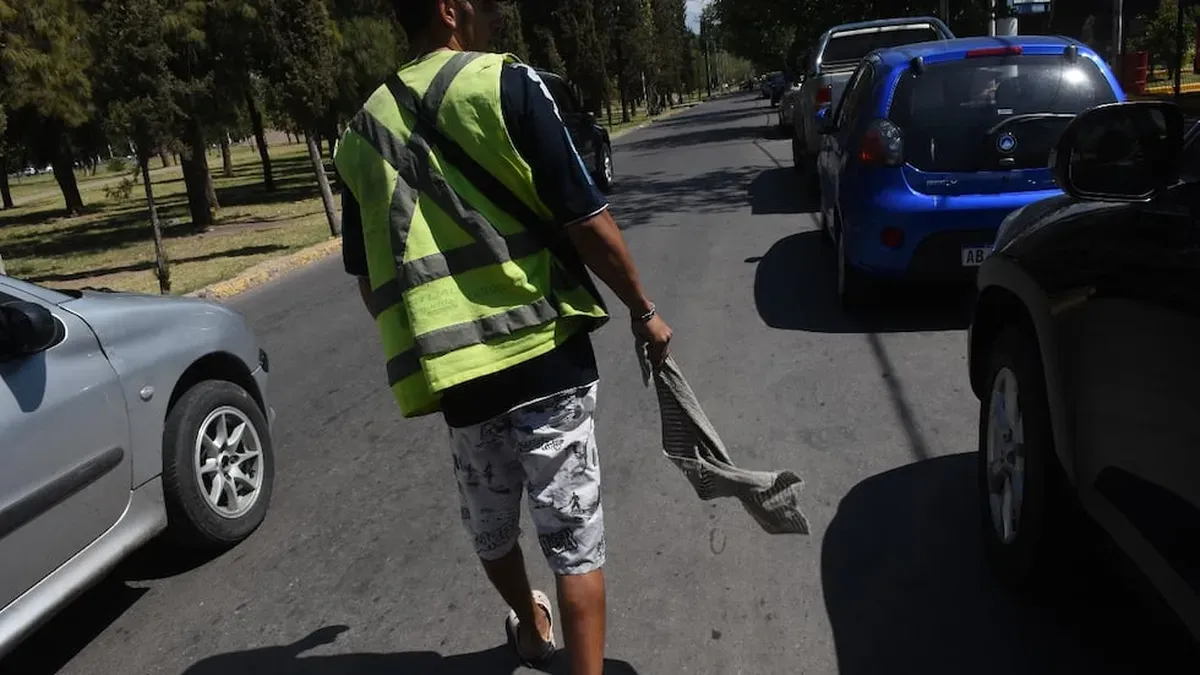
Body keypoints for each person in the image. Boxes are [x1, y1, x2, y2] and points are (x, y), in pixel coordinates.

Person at [332, 1, 673, 674]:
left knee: (491, 525)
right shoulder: (505, 83)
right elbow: (587, 220)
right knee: (573, 539)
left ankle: (531, 628)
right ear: (448, 9)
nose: (495, 14)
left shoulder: (361, 132)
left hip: (458, 376)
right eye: (484, 4)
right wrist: (643, 309)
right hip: (547, 355)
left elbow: (369, 278)